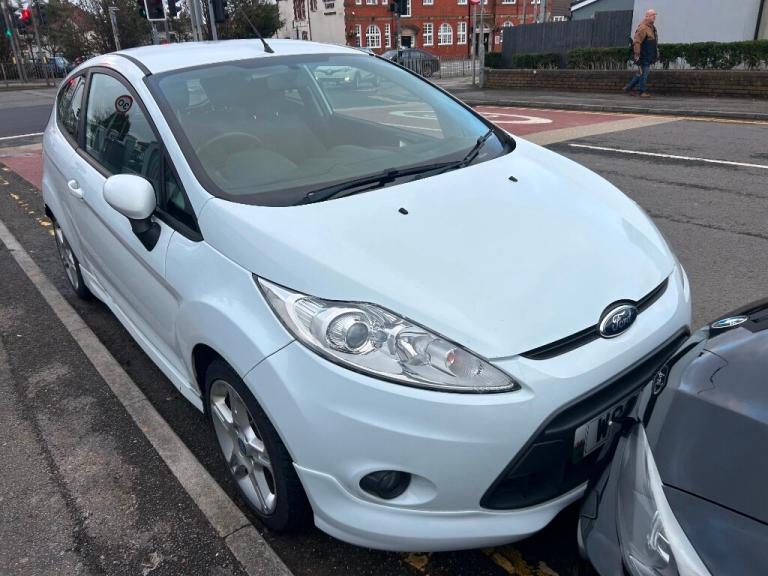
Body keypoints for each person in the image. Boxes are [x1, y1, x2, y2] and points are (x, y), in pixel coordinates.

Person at [625, 9, 659, 98]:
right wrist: (637, 54)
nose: (654, 17)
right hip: (643, 55)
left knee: (640, 73)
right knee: (644, 74)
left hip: (648, 55)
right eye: (652, 15)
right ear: (647, 16)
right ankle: (642, 91)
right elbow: (637, 41)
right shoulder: (643, 27)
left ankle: (629, 88)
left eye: (655, 15)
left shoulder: (651, 27)